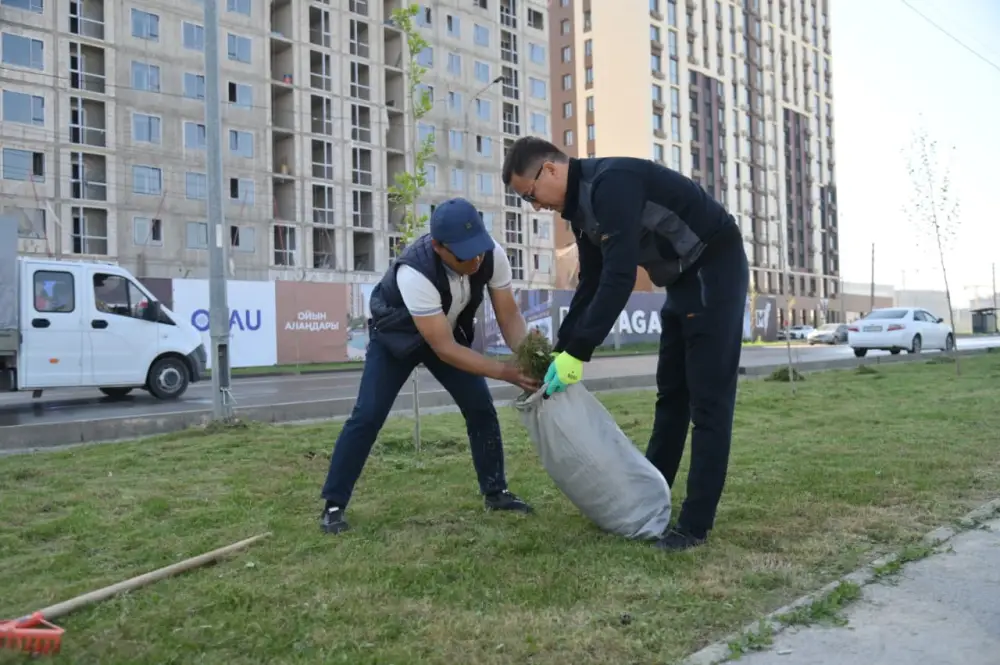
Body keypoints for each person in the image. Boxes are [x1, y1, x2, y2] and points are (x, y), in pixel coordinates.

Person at [501, 137, 749, 552]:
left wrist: (579, 353)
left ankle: (694, 526)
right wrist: (562, 350)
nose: (536, 206)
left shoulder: (611, 184)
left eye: (530, 195)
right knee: (671, 395)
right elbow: (591, 282)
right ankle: (650, 498)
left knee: (708, 402)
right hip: (681, 278)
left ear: (550, 170)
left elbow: (619, 278)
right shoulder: (581, 210)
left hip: (714, 265)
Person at [318, 197, 540, 534]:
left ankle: (497, 492)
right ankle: (334, 504)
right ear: (438, 247)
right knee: (368, 415)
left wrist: (528, 357)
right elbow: (444, 349)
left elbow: (508, 315)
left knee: (480, 408)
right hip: (397, 338)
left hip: (444, 331)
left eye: (479, 249)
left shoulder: (491, 255)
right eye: (466, 254)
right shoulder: (414, 272)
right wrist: (505, 372)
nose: (476, 260)